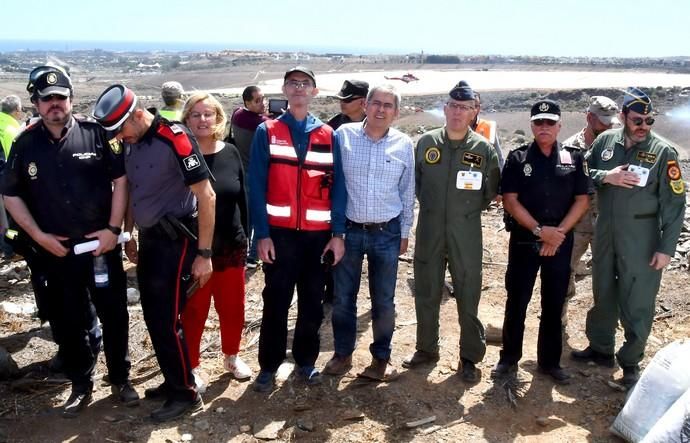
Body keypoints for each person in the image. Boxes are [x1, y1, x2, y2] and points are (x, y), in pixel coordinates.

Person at [1, 67, 137, 417]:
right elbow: (11, 195)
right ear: (35, 103)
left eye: (60, 97)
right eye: (47, 100)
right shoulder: (25, 143)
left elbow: (121, 181)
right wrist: (39, 237)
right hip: (56, 253)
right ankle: (81, 383)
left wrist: (113, 229)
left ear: (71, 99)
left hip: (101, 248)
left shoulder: (96, 134)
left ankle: (121, 379)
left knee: (114, 315)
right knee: (70, 319)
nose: (54, 104)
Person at [92, 84, 216, 421]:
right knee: (154, 317)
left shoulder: (174, 138)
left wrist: (204, 255)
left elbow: (207, 196)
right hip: (149, 242)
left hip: (176, 243)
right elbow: (134, 190)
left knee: (166, 319)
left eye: (122, 129)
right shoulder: (132, 142)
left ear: (136, 114)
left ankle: (185, 394)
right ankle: (175, 379)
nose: (120, 137)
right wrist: (129, 232)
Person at [571, 87, 686, 387]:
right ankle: (600, 348)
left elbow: (675, 204)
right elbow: (582, 171)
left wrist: (667, 248)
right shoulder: (606, 142)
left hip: (641, 236)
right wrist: (605, 177)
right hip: (606, 231)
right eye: (637, 120)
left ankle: (631, 362)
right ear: (623, 117)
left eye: (649, 121)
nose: (643, 127)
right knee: (603, 290)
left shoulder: (663, 152)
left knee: (638, 301)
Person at [248, 66, 345, 392]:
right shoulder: (269, 131)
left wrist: (338, 234)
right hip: (280, 236)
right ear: (285, 90)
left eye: (305, 84)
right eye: (293, 83)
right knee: (275, 301)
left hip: (317, 238)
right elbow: (256, 185)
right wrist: (261, 234)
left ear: (314, 92)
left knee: (312, 303)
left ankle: (306, 362)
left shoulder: (328, 135)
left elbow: (339, 188)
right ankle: (268, 366)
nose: (299, 88)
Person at [404, 81, 500, 383]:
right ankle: (426, 348)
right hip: (430, 228)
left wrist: (463, 211)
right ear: (446, 109)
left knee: (468, 292)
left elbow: (490, 191)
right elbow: (416, 184)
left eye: (465, 108)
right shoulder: (426, 143)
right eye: (454, 106)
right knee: (426, 289)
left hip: (467, 230)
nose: (459, 112)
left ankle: (469, 356)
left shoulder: (483, 149)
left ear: (475, 112)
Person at [493, 99, 591, 384]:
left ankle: (549, 363)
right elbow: (510, 201)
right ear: (532, 125)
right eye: (539, 122)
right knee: (517, 301)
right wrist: (540, 231)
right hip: (525, 240)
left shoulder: (574, 157)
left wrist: (557, 233)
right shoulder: (518, 157)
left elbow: (582, 200)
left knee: (554, 302)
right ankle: (509, 359)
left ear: (560, 125)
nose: (544, 127)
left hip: (559, 242)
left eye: (550, 122)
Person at [324, 83, 414, 381]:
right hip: (349, 231)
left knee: (384, 300)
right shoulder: (343, 136)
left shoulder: (404, 145)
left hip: (386, 232)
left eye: (388, 105)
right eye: (376, 103)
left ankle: (381, 357)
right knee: (343, 298)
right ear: (366, 106)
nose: (381, 109)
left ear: (396, 112)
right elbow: (332, 184)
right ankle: (342, 353)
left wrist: (404, 232)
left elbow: (407, 191)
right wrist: (333, 229)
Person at [180, 92, 252, 386]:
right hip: (195, 248)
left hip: (231, 246)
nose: (202, 120)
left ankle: (232, 356)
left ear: (219, 118)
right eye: (195, 115)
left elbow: (242, 200)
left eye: (208, 114)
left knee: (232, 307)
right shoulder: (181, 154)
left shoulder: (231, 152)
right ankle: (192, 365)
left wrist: (246, 240)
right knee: (195, 310)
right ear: (186, 120)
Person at [561, 96, 619, 325]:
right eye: (603, 121)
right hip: (576, 223)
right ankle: (559, 315)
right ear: (589, 118)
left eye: (611, 121)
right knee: (564, 271)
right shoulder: (570, 147)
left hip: (606, 223)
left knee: (607, 276)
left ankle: (604, 322)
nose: (609, 126)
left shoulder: (616, 143)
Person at [229, 85, 267, 268]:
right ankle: (252, 256)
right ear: (247, 102)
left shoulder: (237, 114)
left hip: (241, 172)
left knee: (246, 215)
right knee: (258, 215)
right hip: (255, 174)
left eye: (263, 99)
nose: (263, 103)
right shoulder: (260, 123)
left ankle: (244, 254)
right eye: (257, 101)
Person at [0, 94, 23, 257]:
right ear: (16, 111)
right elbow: (13, 163)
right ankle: (10, 250)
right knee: (9, 220)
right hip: (3, 183)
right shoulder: (11, 130)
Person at [471, 90, 505, 168]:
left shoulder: (489, 127)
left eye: (475, 106)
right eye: (469, 106)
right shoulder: (453, 128)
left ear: (479, 108)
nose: (472, 109)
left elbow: (499, 159)